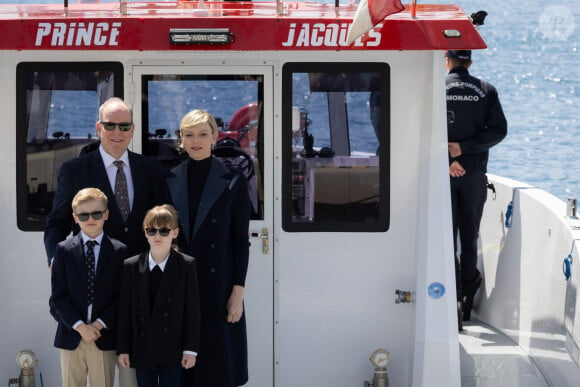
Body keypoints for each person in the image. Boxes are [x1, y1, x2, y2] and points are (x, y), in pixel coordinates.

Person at [45, 97, 170, 386]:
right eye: (110, 125)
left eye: (124, 126)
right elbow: (56, 224)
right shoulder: (75, 170)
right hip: (94, 293)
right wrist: (55, 262)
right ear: (99, 127)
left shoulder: (150, 170)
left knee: (135, 374)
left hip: (141, 289)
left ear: (132, 129)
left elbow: (166, 222)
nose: (117, 132)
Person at [167, 109, 251, 387]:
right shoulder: (167, 178)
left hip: (219, 286)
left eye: (203, 134)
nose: (196, 140)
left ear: (215, 137)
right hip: (177, 285)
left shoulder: (234, 181)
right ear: (181, 138)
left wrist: (237, 293)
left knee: (217, 368)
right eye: (189, 134)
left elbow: (240, 241)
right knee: (180, 371)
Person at [445, 49, 507, 323]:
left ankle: (449, 301)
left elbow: (421, 128)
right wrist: (465, 152)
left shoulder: (437, 89)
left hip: (442, 174)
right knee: (469, 239)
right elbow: (498, 131)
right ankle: (466, 302)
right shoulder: (486, 90)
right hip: (472, 175)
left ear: (446, 61)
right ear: (469, 62)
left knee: (445, 239)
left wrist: (448, 159)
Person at [117, 205, 200, 387]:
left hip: (173, 348)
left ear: (175, 232)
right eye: (151, 230)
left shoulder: (186, 265)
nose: (157, 236)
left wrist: (190, 350)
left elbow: (192, 312)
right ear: (145, 233)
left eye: (164, 231)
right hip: (142, 347)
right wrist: (123, 349)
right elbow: (125, 312)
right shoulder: (131, 265)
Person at [50, 188, 126, 387]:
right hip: (71, 334)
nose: (90, 219)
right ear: (75, 218)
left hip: (103, 336)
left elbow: (121, 297)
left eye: (96, 213)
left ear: (106, 214)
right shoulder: (63, 250)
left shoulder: (119, 251)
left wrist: (97, 325)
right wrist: (80, 326)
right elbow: (58, 297)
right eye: (83, 215)